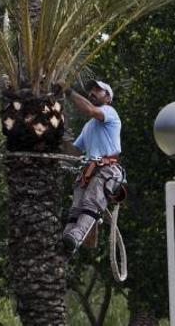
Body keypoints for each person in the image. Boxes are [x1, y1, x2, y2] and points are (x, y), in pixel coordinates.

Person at [62, 80, 126, 254]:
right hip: (89, 170)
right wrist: (60, 134)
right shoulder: (89, 126)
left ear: (108, 98)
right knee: (76, 208)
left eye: (98, 90)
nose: (92, 92)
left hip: (107, 169)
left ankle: (75, 237)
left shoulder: (109, 112)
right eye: (91, 90)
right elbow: (74, 153)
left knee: (90, 203)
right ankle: (66, 242)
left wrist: (68, 92)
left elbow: (89, 109)